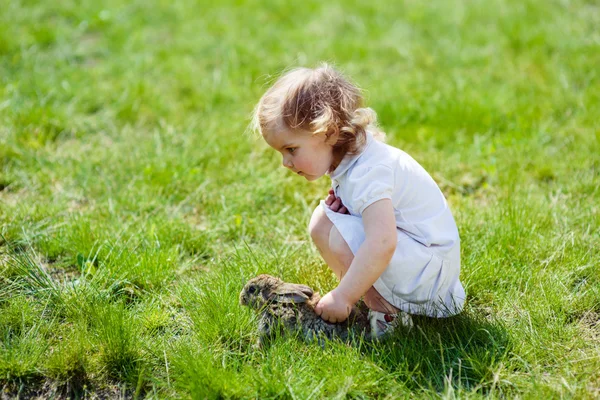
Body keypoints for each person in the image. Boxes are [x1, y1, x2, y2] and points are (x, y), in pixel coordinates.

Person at [252, 64, 465, 338]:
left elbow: (383, 242)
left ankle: (387, 314)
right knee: (322, 222)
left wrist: (342, 296)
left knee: (340, 236)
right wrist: (349, 212)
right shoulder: (348, 160)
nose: (285, 162)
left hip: (431, 273)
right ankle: (370, 300)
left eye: (291, 149)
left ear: (327, 133)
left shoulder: (368, 172)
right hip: (415, 259)